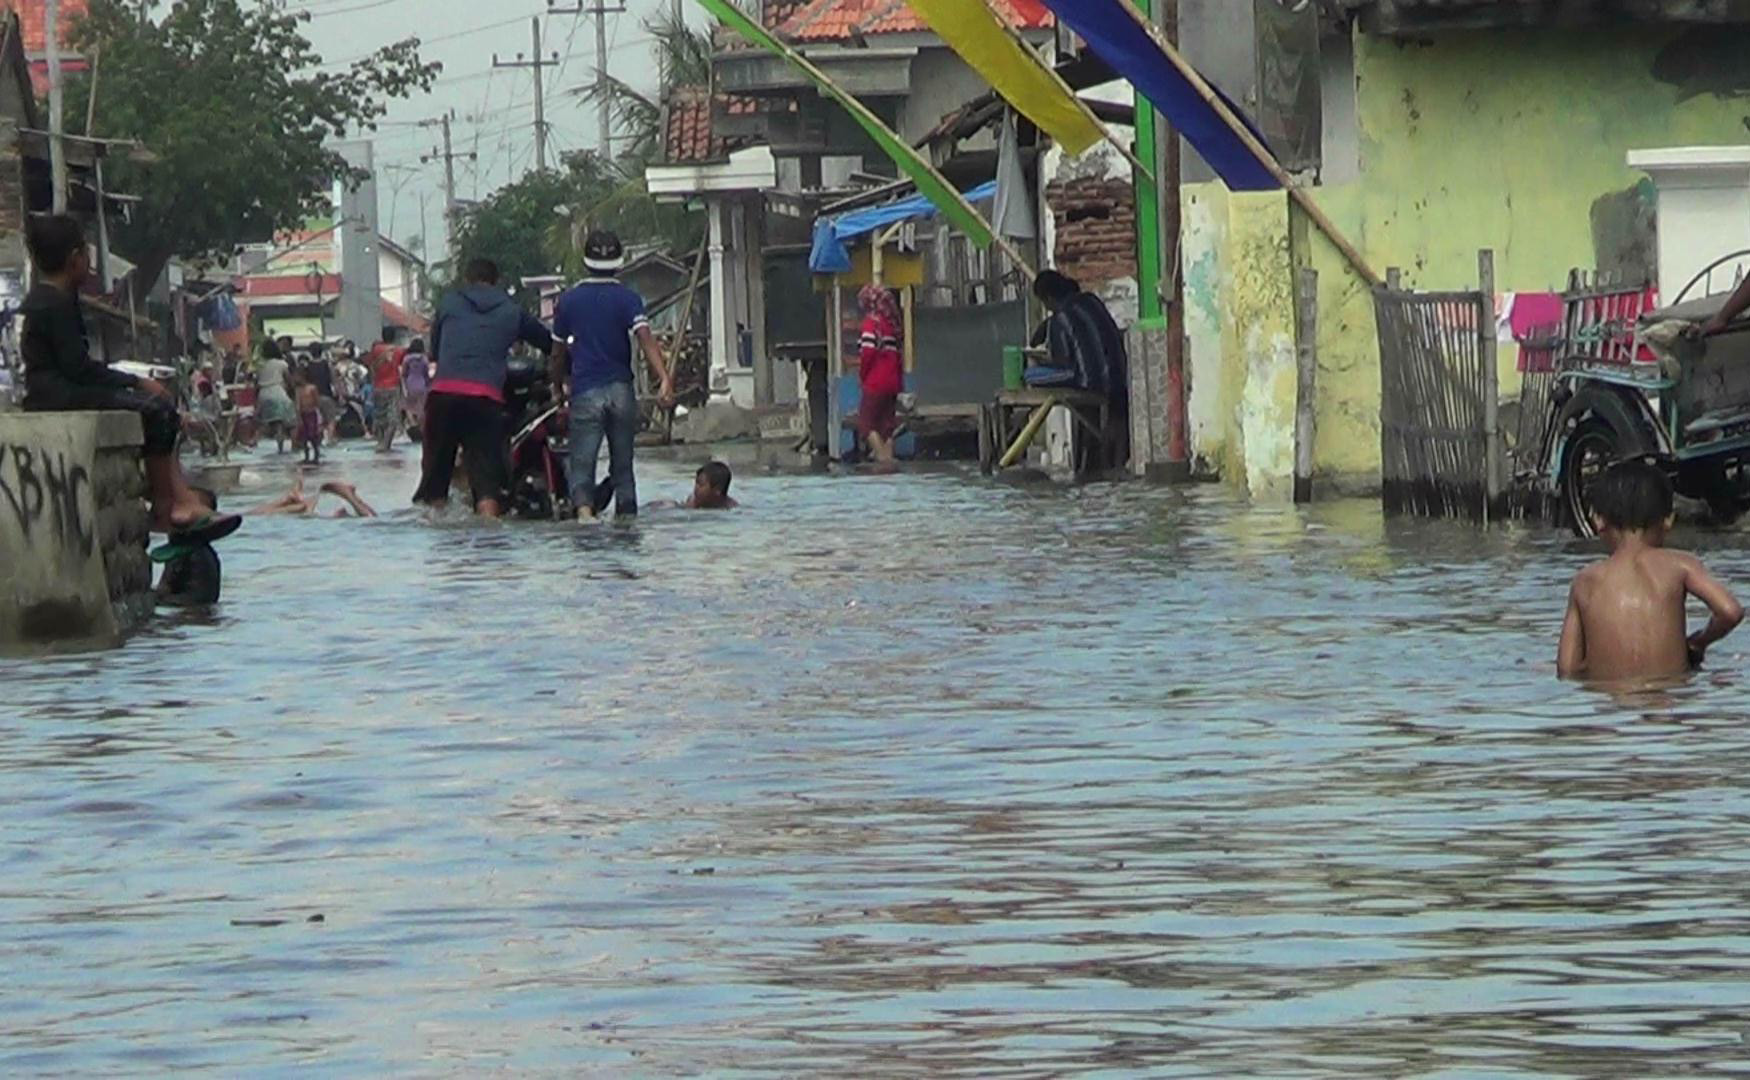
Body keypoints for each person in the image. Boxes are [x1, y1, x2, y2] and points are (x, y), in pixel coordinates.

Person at [19, 214, 239, 542]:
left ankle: (179, 497)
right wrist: (136, 382)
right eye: (87, 255)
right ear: (75, 259)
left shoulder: (50, 299)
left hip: (56, 390)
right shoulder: (55, 304)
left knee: (161, 410)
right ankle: (167, 505)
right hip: (58, 395)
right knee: (157, 410)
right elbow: (79, 368)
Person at [1558, 460, 1743, 682]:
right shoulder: (1680, 564)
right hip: (1671, 696)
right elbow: (1730, 611)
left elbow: (1566, 669)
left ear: (1598, 521)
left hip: (1611, 700)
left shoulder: (1585, 581)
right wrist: (1698, 642)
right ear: (1668, 520)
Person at [550, 230, 675, 522]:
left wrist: (556, 388)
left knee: (582, 463)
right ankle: (627, 523)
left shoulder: (569, 301)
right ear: (619, 263)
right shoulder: (628, 298)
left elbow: (557, 353)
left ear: (586, 262)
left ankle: (584, 515)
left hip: (585, 391)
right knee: (623, 467)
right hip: (621, 390)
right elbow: (646, 338)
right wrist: (664, 379)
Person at [413, 257, 553, 517]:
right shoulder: (512, 310)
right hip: (485, 399)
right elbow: (548, 343)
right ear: (496, 281)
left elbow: (435, 351)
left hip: (443, 395)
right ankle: (488, 529)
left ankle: (434, 531)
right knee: (487, 486)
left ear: (467, 280)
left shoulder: (449, 303)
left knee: (435, 485)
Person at [1028, 270, 1130, 468]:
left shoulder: (1060, 319)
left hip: (1090, 380)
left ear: (1048, 299)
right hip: (1119, 374)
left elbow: (1062, 361)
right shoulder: (1091, 302)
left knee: (1030, 375)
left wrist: (1041, 362)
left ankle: (1091, 460)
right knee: (1107, 423)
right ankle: (1106, 461)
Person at [854, 284, 904, 465]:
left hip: (875, 382)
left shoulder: (871, 324)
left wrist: (862, 377)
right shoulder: (892, 326)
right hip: (893, 383)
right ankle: (889, 462)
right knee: (886, 427)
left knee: (866, 424)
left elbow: (867, 354)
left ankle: (883, 459)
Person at [248, 475, 378, 518]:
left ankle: (349, 495)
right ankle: (349, 496)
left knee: (303, 508)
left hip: (316, 507)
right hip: (318, 506)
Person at [254, 339, 296, 454]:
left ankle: (255, 441)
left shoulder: (260, 366)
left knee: (269, 422)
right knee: (290, 420)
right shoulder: (282, 364)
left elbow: (256, 383)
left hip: (263, 394)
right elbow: (289, 381)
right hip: (278, 392)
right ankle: (290, 446)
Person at [368, 337, 406, 451]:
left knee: (380, 416)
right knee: (393, 417)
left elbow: (371, 367)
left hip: (378, 387)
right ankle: (386, 443)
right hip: (393, 387)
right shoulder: (399, 350)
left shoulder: (375, 349)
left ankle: (380, 442)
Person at [401, 336, 429, 437]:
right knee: (421, 408)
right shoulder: (424, 359)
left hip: (410, 384)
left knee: (409, 406)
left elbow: (404, 373)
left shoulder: (407, 359)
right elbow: (426, 373)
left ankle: (413, 424)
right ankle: (421, 428)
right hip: (422, 384)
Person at [296, 374, 322, 466]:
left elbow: (317, 401)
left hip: (311, 413)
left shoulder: (312, 388)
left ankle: (316, 455)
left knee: (313, 436)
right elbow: (298, 403)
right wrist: (298, 416)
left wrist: (319, 415)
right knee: (303, 437)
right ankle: (306, 456)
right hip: (303, 414)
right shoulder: (298, 390)